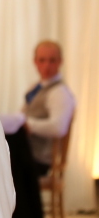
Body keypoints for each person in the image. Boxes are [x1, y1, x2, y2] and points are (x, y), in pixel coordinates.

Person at [22, 40, 76, 176]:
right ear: (35, 62)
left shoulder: (59, 92)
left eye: (52, 60)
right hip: (28, 153)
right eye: (42, 60)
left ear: (60, 62)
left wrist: (28, 125)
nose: (47, 65)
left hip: (38, 159)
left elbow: (58, 127)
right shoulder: (36, 87)